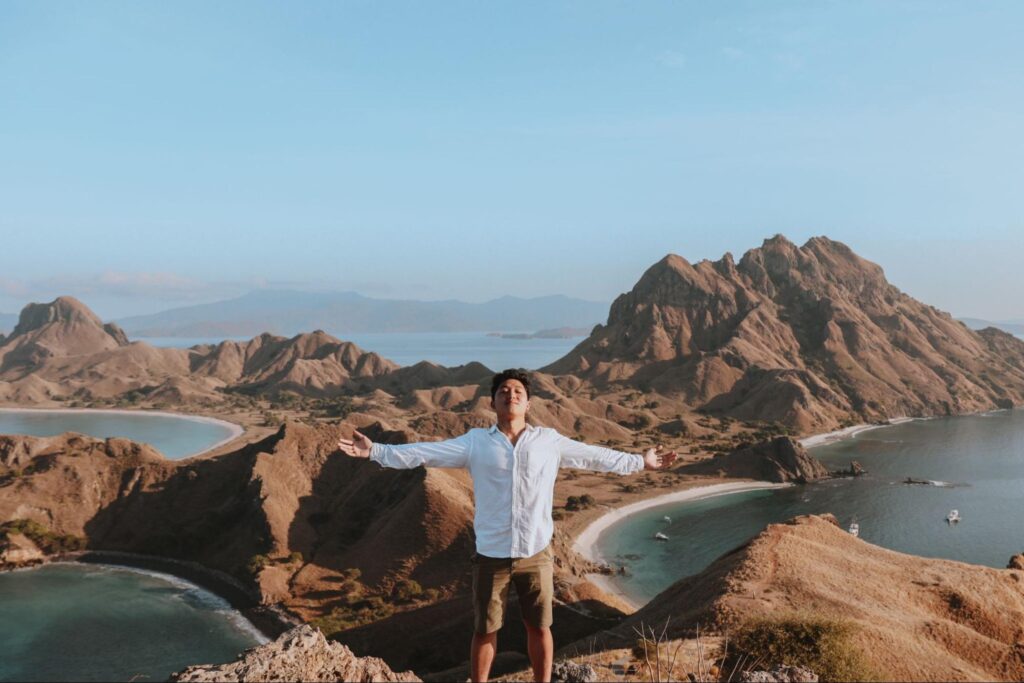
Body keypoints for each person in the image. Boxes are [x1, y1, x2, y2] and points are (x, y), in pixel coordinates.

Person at [337, 368, 677, 683]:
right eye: (504, 390)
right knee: (485, 630)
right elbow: (426, 452)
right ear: (492, 402)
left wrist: (640, 462)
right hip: (491, 555)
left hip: (536, 553)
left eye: (517, 391)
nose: (511, 394)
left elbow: (595, 456)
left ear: (528, 403)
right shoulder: (476, 443)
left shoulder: (549, 441)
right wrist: (376, 452)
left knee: (540, 627)